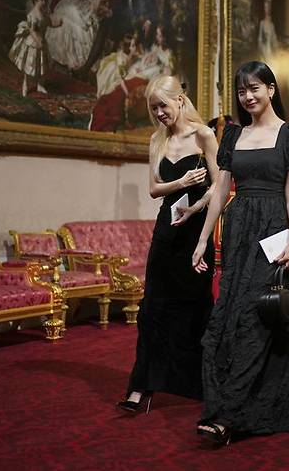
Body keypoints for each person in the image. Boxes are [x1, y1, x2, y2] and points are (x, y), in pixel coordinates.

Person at [192, 61, 289, 445]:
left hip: (275, 229)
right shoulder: (232, 136)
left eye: (255, 89)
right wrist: (202, 239)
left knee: (259, 315)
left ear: (271, 89)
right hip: (239, 230)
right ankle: (246, 404)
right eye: (242, 91)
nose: (248, 97)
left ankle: (228, 414)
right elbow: (221, 190)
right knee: (230, 315)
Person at [117, 75, 219, 413]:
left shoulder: (205, 135)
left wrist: (195, 206)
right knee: (153, 310)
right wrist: (182, 181)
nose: (159, 112)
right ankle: (141, 386)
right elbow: (154, 189)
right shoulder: (156, 141)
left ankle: (201, 383)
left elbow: (221, 189)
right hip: (166, 231)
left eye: (163, 104)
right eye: (153, 107)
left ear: (180, 99)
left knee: (195, 307)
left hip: (196, 234)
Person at [9, 0, 62, 97]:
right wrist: (38, 41)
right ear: (35, 0)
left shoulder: (44, 13)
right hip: (33, 43)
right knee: (30, 66)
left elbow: (48, 23)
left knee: (42, 66)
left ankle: (40, 84)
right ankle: (26, 84)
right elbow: (32, 31)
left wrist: (58, 24)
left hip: (42, 42)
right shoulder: (32, 15)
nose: (43, 2)